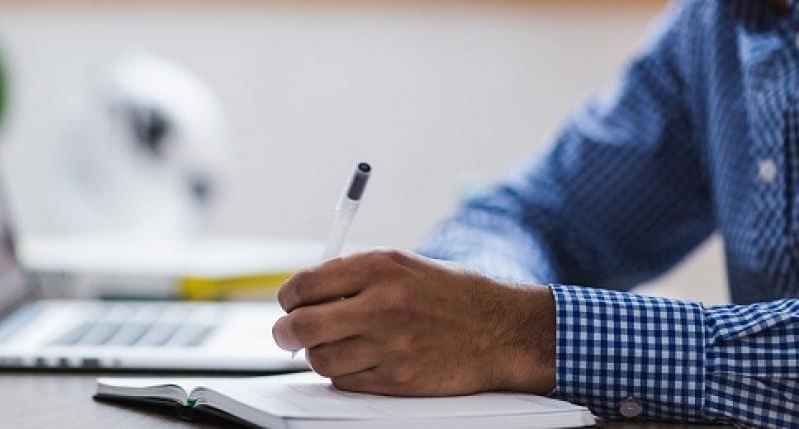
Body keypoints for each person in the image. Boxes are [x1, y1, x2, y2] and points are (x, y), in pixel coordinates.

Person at [271, 1, 799, 426]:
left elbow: (512, 320)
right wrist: (473, 303)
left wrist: (520, 332)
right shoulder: (712, 24)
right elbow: (533, 217)